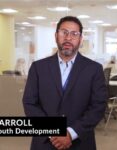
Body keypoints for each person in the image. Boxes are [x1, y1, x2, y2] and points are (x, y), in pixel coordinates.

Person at [23, 16, 108, 150]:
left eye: (74, 34)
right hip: (45, 143)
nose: (68, 38)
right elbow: (29, 103)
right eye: (64, 32)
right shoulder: (38, 68)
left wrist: (71, 133)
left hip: (80, 143)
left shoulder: (94, 69)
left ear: (80, 39)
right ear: (56, 36)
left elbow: (98, 106)